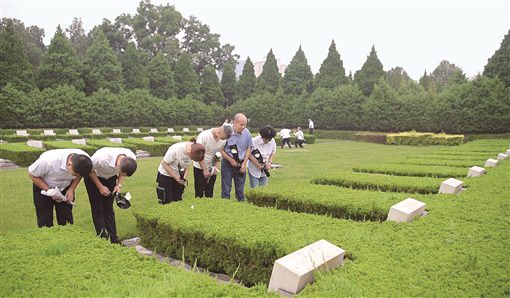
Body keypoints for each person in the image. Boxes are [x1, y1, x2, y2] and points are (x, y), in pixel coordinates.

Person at [84, 147, 137, 243]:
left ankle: (114, 239)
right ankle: (102, 239)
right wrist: (100, 187)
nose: (121, 173)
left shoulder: (131, 158)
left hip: (111, 178)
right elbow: (89, 170)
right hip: (94, 177)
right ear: (118, 164)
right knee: (97, 208)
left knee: (108, 208)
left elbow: (123, 173)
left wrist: (118, 185)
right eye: (119, 171)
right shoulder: (101, 159)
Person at [28, 149, 92, 228]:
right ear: (69, 164)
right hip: (44, 187)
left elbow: (79, 175)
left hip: (66, 187)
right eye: (74, 174)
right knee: (45, 221)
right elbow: (32, 174)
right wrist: (49, 191)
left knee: (66, 220)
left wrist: (72, 189)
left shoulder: (85, 160)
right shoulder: (48, 161)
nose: (75, 176)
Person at [157, 139, 205, 204]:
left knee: (178, 199)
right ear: (189, 151)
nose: (190, 159)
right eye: (191, 157)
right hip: (166, 175)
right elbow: (164, 164)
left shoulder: (194, 150)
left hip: (179, 176)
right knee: (167, 200)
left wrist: (184, 177)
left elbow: (187, 165)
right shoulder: (175, 150)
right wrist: (176, 178)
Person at [193, 125, 233, 198]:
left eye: (223, 139)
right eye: (221, 137)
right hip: (199, 167)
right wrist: (204, 169)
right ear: (218, 132)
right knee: (199, 193)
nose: (221, 140)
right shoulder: (203, 136)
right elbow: (198, 154)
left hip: (212, 168)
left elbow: (219, 152)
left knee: (209, 192)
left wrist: (216, 167)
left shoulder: (224, 139)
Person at [221, 113, 253, 202]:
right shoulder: (226, 132)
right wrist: (231, 160)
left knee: (240, 189)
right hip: (228, 163)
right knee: (226, 187)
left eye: (245, 124)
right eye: (241, 124)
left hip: (241, 163)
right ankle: (225, 205)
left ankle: (240, 206)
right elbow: (221, 150)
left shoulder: (247, 132)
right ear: (234, 123)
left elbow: (249, 148)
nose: (243, 127)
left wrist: (244, 164)